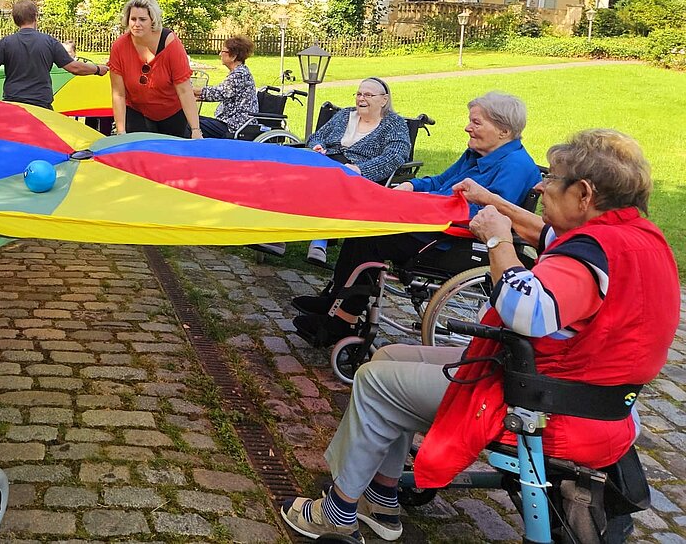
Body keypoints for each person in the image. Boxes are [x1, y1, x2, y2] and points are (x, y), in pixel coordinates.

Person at [281, 129, 679, 542]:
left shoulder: (587, 255)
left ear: (583, 193)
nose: (540, 185)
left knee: (373, 381)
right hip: (584, 399)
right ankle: (381, 500)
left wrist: (496, 239)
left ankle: (336, 512)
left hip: (545, 408)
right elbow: (546, 234)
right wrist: (494, 204)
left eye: (551, 177)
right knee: (388, 358)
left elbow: (526, 312)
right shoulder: (634, 238)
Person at [293, 91, 542, 343]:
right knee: (362, 224)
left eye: (476, 123)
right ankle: (335, 298)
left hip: (453, 241)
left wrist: (421, 207)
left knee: (371, 239)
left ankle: (342, 320)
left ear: (504, 131)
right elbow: (440, 181)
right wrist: (411, 186)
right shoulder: (478, 154)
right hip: (432, 224)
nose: (468, 128)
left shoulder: (515, 167)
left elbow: (484, 219)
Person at [302, 77, 413, 266]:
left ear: (384, 100)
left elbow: (395, 156)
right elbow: (317, 136)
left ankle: (320, 240)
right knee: (289, 169)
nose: (361, 98)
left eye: (368, 95)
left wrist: (361, 169)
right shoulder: (345, 115)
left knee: (334, 179)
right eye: (359, 94)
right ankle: (274, 233)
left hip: (360, 174)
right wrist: (318, 146)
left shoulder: (394, 124)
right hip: (327, 161)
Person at [0, 0, 105, 111]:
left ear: (15, 20)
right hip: (41, 105)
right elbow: (74, 67)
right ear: (36, 17)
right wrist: (97, 69)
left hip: (14, 105)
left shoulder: (6, 43)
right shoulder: (49, 42)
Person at [109, 0, 201, 139]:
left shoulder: (170, 44)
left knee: (170, 156)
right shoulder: (119, 47)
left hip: (171, 112)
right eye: (133, 19)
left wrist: (196, 129)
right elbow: (118, 94)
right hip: (137, 111)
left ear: (153, 20)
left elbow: (184, 90)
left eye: (142, 19)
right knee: (139, 153)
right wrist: (121, 132)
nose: (136, 24)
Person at [193, 35, 258, 139]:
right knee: (192, 119)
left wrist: (190, 91)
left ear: (233, 56)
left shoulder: (240, 74)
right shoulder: (239, 72)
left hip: (235, 126)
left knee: (192, 125)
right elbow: (222, 92)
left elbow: (220, 92)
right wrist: (195, 96)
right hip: (228, 121)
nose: (220, 54)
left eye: (223, 51)